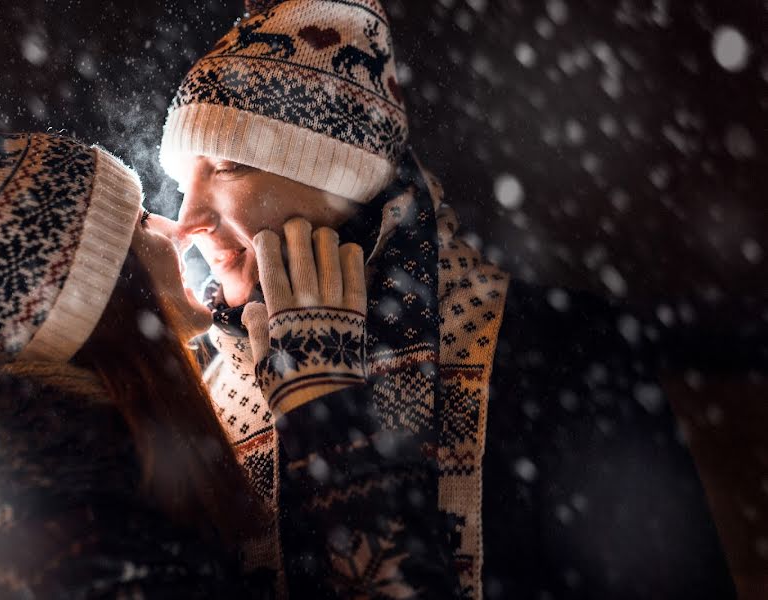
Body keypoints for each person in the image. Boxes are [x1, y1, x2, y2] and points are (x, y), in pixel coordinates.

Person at [158, 0, 737, 597]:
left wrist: (324, 413)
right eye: (180, 182)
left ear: (341, 179)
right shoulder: (194, 384)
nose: (187, 217)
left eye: (229, 165)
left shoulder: (557, 350)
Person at [0, 99, 458, 598]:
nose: (179, 224)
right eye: (140, 218)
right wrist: (323, 411)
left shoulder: (48, 506)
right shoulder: (94, 553)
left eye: (227, 164)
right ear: (100, 288)